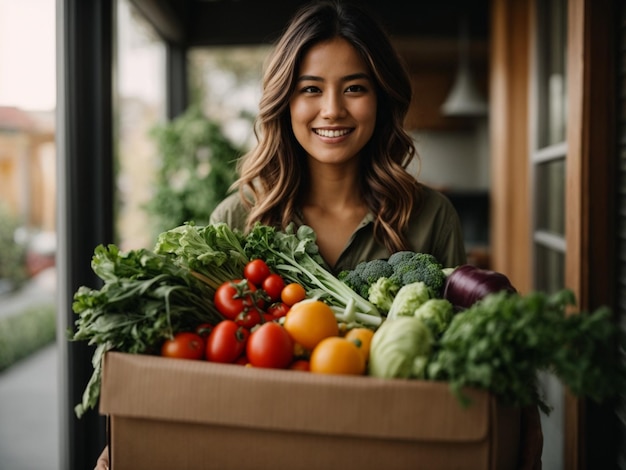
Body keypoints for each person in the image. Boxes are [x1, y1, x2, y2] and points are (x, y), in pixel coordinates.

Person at [95, 1, 541, 469]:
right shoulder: (236, 219)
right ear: (285, 100)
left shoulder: (430, 216)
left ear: (381, 97)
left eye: (354, 88)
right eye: (311, 89)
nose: (333, 109)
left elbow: (463, 358)